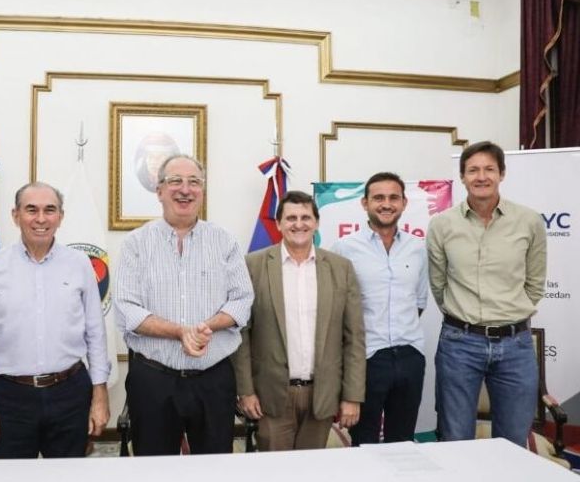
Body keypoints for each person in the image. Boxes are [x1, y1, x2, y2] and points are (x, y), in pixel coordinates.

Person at [114, 155, 254, 455]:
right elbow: (127, 308)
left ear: (202, 191)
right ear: (159, 191)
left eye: (194, 182)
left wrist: (206, 327)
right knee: (153, 468)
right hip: (153, 381)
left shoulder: (224, 242)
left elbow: (243, 300)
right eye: (175, 181)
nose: (185, 190)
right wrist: (180, 332)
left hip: (213, 380)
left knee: (215, 468)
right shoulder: (135, 243)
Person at [0, 182, 110, 458]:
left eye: (50, 210)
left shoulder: (80, 263)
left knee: (69, 480)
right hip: (11, 398)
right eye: (31, 210)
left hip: (71, 393)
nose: (41, 219)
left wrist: (100, 395)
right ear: (15, 215)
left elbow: (96, 333)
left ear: (61, 216)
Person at [427, 141, 546, 447]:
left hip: (516, 345)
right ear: (462, 176)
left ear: (501, 174)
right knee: (456, 440)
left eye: (489, 169)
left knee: (512, 443)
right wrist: (463, 316)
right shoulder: (442, 225)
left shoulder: (529, 221)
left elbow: (535, 283)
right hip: (459, 344)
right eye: (473, 170)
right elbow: (439, 285)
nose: (481, 177)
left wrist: (509, 314)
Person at [232, 190, 365, 451]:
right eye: (291, 218)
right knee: (275, 471)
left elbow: (354, 338)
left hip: (322, 395)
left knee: (313, 469)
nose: (299, 224)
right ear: (279, 224)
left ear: (316, 223)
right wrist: (245, 391)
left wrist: (352, 396)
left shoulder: (341, 268)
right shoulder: (252, 266)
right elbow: (241, 334)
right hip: (271, 396)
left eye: (306, 217)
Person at [331, 173, 428, 446]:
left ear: (404, 203)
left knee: (403, 442)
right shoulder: (344, 248)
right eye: (378, 198)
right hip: (367, 359)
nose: (386, 204)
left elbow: (419, 302)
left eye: (393, 197)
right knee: (364, 443)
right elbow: (337, 310)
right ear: (365, 203)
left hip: (410, 356)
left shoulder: (418, 248)